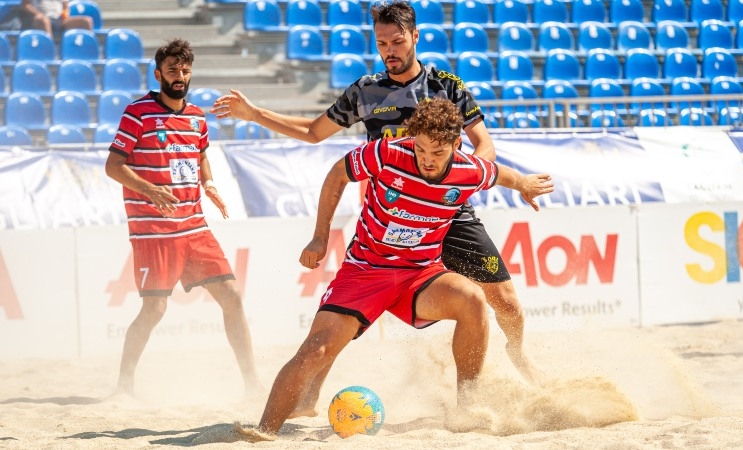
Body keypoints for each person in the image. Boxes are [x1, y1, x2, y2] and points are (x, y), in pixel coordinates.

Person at [211, 0, 542, 415]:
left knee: (504, 301)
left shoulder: (447, 86)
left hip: (448, 211)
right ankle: (309, 396)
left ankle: (518, 352)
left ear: (416, 37)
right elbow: (315, 133)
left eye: (398, 40)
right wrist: (254, 113)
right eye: (382, 42)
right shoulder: (366, 91)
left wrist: (456, 181)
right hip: (391, 216)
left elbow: (484, 146)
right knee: (342, 320)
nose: (390, 50)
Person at [235, 98, 554, 442]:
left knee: (473, 299)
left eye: (438, 152)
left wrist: (524, 184)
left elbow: (501, 174)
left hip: (419, 274)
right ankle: (264, 431)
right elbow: (336, 175)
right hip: (365, 272)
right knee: (315, 350)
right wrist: (319, 237)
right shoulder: (386, 153)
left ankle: (467, 405)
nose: (427, 160)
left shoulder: (470, 169)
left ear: (456, 145)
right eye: (421, 149)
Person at [104, 38, 260, 398]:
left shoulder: (196, 116)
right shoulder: (138, 112)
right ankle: (124, 385)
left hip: (194, 225)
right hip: (154, 230)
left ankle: (252, 382)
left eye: (185, 70)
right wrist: (150, 190)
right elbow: (113, 166)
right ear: (159, 73)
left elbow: (201, 155)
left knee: (232, 296)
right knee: (155, 308)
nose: (180, 75)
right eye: (173, 69)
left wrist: (209, 184)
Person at [20, 0, 92, 37]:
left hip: (59, 19)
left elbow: (65, 7)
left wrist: (65, 14)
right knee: (44, 20)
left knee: (86, 21)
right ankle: (49, 48)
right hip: (42, 18)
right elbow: (25, 5)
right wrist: (38, 14)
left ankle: (87, 48)